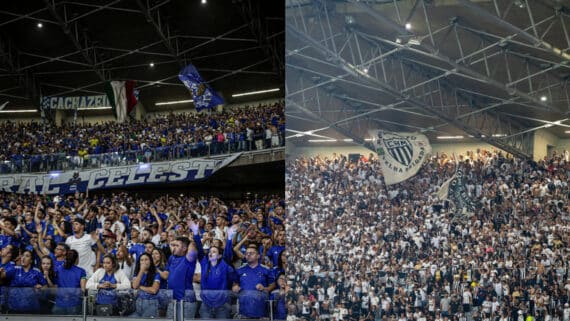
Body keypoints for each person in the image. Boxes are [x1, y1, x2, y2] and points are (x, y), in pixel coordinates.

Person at [166, 221, 203, 320]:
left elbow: (193, 249)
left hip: (186, 301)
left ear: (184, 248)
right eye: (173, 245)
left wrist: (191, 240)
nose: (173, 247)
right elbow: (171, 243)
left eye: (177, 246)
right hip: (172, 301)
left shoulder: (189, 260)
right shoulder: (172, 258)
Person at [233, 243, 275, 319]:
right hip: (244, 311)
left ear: (258, 256)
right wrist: (235, 287)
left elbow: (272, 285)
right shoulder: (239, 270)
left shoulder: (266, 269)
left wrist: (264, 289)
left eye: (251, 253)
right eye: (246, 253)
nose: (248, 255)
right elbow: (235, 284)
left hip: (261, 311)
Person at [198, 245, 238, 319]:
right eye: (210, 251)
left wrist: (229, 239)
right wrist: (196, 234)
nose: (210, 253)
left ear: (219, 256)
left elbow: (228, 254)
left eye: (214, 252)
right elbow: (199, 249)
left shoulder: (224, 266)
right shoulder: (204, 264)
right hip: (206, 304)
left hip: (222, 304)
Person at [53, 249, 87, 315]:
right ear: (77, 259)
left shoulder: (58, 269)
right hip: (74, 304)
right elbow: (83, 290)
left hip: (59, 304)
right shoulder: (81, 271)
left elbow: (54, 285)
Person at [130, 252, 161, 318]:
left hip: (151, 303)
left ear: (150, 261)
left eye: (146, 259)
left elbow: (154, 290)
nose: (144, 262)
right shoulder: (137, 274)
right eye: (142, 260)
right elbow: (135, 286)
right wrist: (141, 270)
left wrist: (140, 287)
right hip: (138, 302)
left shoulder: (156, 274)